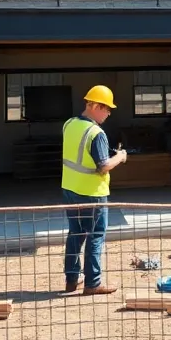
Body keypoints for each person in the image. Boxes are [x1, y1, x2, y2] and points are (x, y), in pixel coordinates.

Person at [61, 85, 128, 295]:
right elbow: (103, 166)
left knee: (75, 233)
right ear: (96, 106)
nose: (108, 114)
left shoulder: (69, 124)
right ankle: (93, 283)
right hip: (93, 193)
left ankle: (72, 280)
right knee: (95, 235)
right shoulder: (96, 133)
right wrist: (120, 156)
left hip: (70, 188)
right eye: (107, 109)